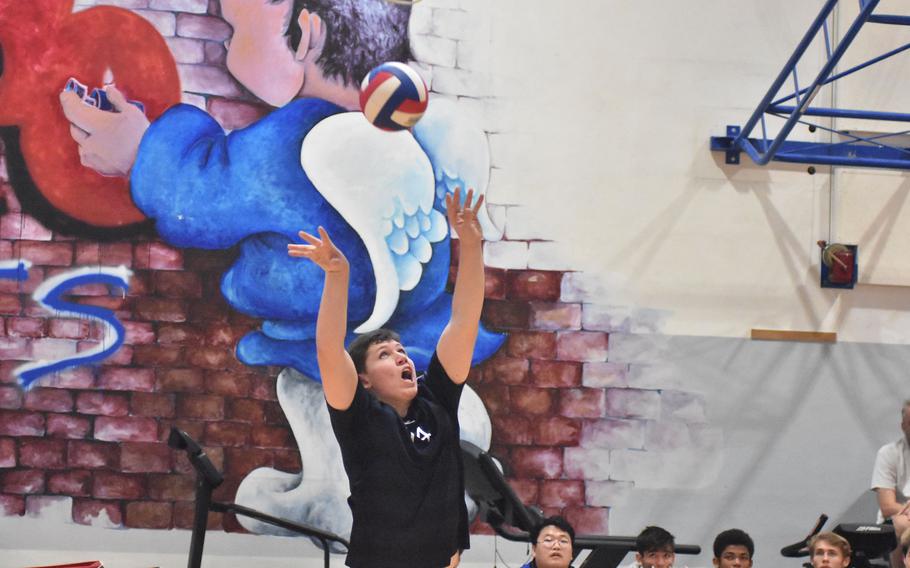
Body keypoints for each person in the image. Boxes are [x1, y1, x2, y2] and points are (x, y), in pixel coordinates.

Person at [287, 186, 485, 568]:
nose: (400, 357)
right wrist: (337, 275)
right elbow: (329, 349)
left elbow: (464, 321)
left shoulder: (437, 399)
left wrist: (473, 247)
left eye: (401, 352)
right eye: (384, 355)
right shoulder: (358, 417)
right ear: (364, 379)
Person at [871, 399, 910, 568]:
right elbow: (887, 507)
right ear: (903, 425)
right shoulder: (888, 453)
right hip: (899, 518)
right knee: (900, 525)